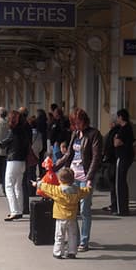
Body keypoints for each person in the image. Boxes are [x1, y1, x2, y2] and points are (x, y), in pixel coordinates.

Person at [54, 107, 103, 252]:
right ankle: (73, 239)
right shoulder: (75, 134)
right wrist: (55, 165)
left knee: (84, 209)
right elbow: (69, 154)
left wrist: (89, 178)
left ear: (84, 120)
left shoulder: (94, 134)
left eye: (78, 122)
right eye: (74, 123)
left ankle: (84, 240)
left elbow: (96, 158)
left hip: (86, 176)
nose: (76, 126)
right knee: (71, 209)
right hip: (72, 176)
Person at [32, 168, 92, 259]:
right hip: (72, 217)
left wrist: (37, 184)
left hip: (60, 217)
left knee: (59, 235)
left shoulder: (57, 190)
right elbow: (85, 191)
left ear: (60, 180)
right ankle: (72, 252)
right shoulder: (77, 191)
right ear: (73, 179)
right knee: (72, 235)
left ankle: (58, 252)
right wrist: (88, 187)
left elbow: (46, 187)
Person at [0, 109, 31, 221]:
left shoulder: (13, 131)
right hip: (22, 161)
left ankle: (14, 210)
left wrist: (1, 143)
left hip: (13, 160)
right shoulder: (25, 130)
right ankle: (20, 210)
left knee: (9, 185)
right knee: (18, 185)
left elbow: (4, 143)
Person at [103, 108, 135, 216]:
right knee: (120, 182)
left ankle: (121, 209)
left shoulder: (124, 129)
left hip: (122, 157)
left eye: (117, 117)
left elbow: (116, 143)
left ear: (121, 117)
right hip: (124, 157)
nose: (117, 120)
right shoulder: (127, 128)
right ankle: (119, 207)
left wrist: (117, 138)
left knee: (119, 183)